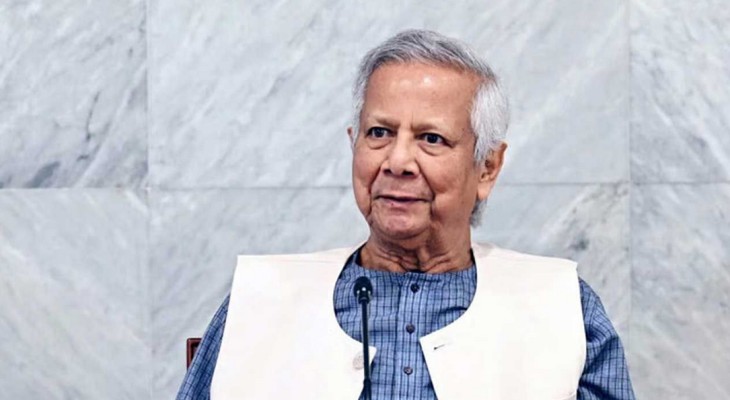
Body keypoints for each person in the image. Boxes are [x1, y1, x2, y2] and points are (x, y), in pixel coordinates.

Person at [177, 29, 635, 400]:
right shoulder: (263, 300)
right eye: (379, 133)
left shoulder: (560, 305)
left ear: (487, 168)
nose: (397, 161)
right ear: (354, 144)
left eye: (431, 139)